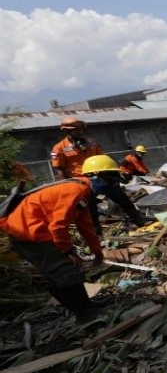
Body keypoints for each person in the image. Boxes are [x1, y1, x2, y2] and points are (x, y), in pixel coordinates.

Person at [0, 155, 118, 318]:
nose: (114, 183)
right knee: (64, 271)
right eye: (111, 178)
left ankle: (86, 305)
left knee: (70, 270)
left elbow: (85, 226)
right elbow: (58, 226)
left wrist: (97, 251)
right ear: (97, 175)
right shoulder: (74, 191)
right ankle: (84, 313)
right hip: (27, 234)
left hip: (34, 231)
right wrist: (68, 252)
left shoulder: (82, 192)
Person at [50, 118, 147, 227]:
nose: (80, 132)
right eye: (77, 130)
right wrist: (66, 186)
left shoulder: (92, 142)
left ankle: (139, 222)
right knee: (90, 209)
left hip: (102, 177)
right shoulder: (59, 148)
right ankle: (97, 233)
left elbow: (102, 158)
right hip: (82, 182)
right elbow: (59, 169)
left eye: (81, 129)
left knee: (123, 200)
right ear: (68, 131)